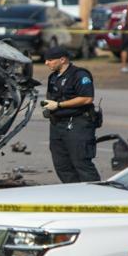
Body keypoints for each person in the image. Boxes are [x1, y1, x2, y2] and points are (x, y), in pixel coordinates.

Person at [40, 47, 100, 184]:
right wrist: (49, 106)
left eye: (50, 60)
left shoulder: (79, 75)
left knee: (81, 163)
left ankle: (96, 198)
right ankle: (75, 196)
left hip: (77, 123)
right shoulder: (53, 76)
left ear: (62, 59)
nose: (46, 63)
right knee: (62, 165)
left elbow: (87, 98)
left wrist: (59, 105)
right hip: (57, 124)